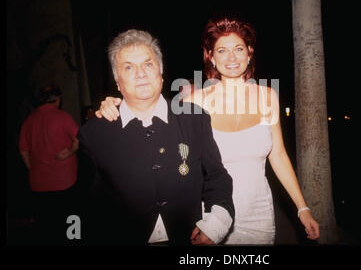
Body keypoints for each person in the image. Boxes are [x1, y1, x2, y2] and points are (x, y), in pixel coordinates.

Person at [97, 17, 320, 245]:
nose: (231, 58)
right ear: (211, 57)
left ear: (249, 52)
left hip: (258, 214)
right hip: (210, 217)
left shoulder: (268, 97)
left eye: (239, 49)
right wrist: (115, 105)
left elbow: (279, 156)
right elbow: (150, 111)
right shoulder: (196, 103)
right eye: (222, 51)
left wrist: (302, 208)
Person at [78, 29, 234, 246]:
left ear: (161, 73)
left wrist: (216, 224)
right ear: (117, 81)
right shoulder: (93, 134)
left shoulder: (194, 119)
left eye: (148, 64)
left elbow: (217, 177)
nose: (141, 73)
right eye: (129, 67)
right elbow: (89, 205)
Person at [19, 84, 79, 245]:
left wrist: (32, 168)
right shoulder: (63, 117)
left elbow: (23, 150)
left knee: (46, 225)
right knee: (72, 218)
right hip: (64, 182)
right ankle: (75, 240)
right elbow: (79, 139)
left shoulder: (29, 121)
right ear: (57, 99)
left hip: (38, 184)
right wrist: (70, 151)